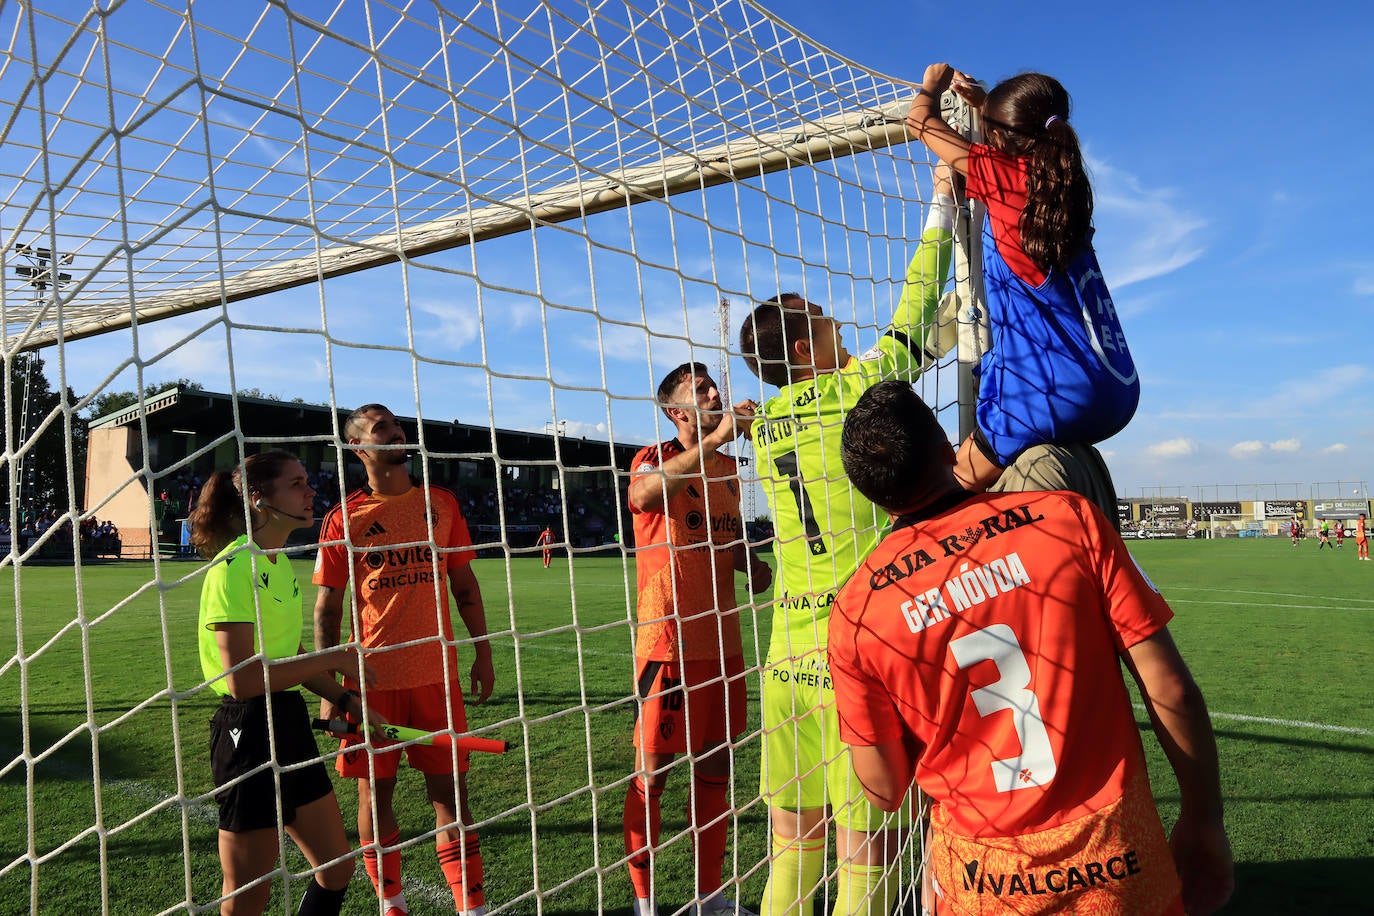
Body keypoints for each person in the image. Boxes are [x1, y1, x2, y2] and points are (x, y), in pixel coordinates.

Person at [828, 381, 1234, 916]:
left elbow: (884, 790)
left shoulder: (859, 607)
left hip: (982, 879)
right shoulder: (1067, 518)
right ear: (951, 452)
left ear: (873, 496)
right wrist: (1203, 818)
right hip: (1115, 857)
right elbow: (1170, 688)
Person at [737, 164, 970, 915]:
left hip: (785, 658)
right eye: (824, 318)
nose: (839, 322)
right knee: (866, 851)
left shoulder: (766, 422)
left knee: (791, 847)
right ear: (804, 351)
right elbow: (912, 305)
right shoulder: (853, 391)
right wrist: (942, 194)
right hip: (858, 649)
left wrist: (934, 342)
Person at [905, 63, 1140, 493]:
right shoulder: (1064, 188)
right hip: (1117, 384)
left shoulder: (1004, 178)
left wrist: (931, 86)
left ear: (997, 139)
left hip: (1053, 390)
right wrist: (988, 108)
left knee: (943, 494)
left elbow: (921, 121)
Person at [313, 404, 495, 916]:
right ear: (359, 449)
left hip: (437, 679)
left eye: (396, 425)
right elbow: (327, 608)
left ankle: (470, 907)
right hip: (372, 685)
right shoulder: (343, 519)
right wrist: (331, 689)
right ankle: (390, 904)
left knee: (452, 799)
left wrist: (482, 651)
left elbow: (463, 582)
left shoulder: (441, 504)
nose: (396, 434)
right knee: (376, 798)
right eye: (381, 429)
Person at [191, 450, 383, 916]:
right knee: (249, 893)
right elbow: (241, 681)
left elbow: (287, 653)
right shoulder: (234, 567)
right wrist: (336, 656)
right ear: (259, 499)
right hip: (247, 732)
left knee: (337, 868)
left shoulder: (278, 563)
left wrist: (344, 697)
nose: (311, 489)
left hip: (288, 720)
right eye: (297, 483)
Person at [624, 362, 773, 916]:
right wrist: (715, 437)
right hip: (668, 647)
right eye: (701, 388)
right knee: (653, 775)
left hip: (724, 647)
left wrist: (749, 564)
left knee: (716, 771)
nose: (716, 392)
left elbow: (722, 538)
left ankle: (709, 896)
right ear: (677, 412)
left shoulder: (729, 470)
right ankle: (644, 902)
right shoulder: (653, 458)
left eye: (715, 384)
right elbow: (643, 498)